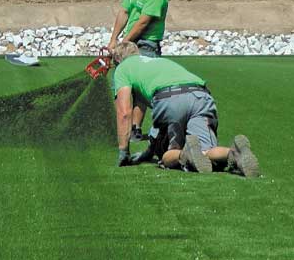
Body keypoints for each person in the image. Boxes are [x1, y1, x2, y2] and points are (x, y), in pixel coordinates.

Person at [109, 41, 260, 178]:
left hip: (169, 98)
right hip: (201, 95)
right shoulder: (158, 61)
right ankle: (235, 153)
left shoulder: (122, 69)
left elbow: (124, 113)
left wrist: (124, 152)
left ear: (118, 60)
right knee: (205, 152)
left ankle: (184, 153)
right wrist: (147, 153)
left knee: (167, 155)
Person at [106, 0, 168, 142]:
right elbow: (124, 12)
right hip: (128, 40)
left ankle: (135, 128)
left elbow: (143, 23)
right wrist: (113, 40)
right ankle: (121, 126)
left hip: (147, 42)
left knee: (140, 89)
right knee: (122, 83)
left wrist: (123, 44)